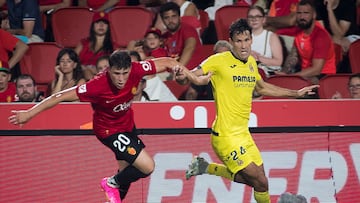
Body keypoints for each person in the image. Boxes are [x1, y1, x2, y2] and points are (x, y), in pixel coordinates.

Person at [8, 51, 210, 203]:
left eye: (125, 73)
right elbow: (59, 96)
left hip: (128, 125)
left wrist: (195, 78)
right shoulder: (97, 85)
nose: (121, 79)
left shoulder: (137, 69)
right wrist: (29, 113)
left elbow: (167, 62)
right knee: (147, 167)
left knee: (126, 171)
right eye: (116, 74)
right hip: (108, 131)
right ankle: (109, 182)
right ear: (108, 70)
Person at [173, 18, 318, 203]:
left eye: (247, 40)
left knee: (259, 180)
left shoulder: (250, 62)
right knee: (261, 182)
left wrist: (296, 93)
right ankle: (206, 168)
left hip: (243, 134)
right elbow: (189, 77)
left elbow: (262, 87)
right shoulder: (218, 60)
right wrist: (181, 76)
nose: (243, 45)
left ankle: (205, 167)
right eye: (239, 41)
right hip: (225, 136)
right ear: (232, 42)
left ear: (251, 40)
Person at [280, 0, 336, 85]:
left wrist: (292, 77)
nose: (302, 17)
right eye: (299, 13)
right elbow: (293, 56)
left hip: (324, 76)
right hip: (304, 74)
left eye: (306, 13)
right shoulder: (299, 32)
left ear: (314, 15)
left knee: (298, 85)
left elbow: (316, 69)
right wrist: (283, 74)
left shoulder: (321, 36)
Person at [315, 0, 359, 73]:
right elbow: (322, 32)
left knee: (337, 42)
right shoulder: (319, 4)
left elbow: (340, 33)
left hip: (351, 36)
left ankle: (333, 73)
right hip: (332, 38)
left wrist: (329, 10)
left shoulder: (348, 4)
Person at [159, 2, 202, 69]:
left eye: (174, 16)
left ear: (179, 17)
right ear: (162, 20)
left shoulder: (188, 29)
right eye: (166, 17)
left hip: (192, 71)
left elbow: (189, 47)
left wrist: (178, 69)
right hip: (171, 72)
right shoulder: (164, 37)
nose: (170, 20)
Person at [74, 11, 114, 81]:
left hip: (103, 78)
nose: (101, 25)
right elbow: (72, 61)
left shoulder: (113, 46)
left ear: (108, 27)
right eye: (98, 22)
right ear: (93, 26)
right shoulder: (83, 43)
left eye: (104, 23)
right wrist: (85, 68)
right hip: (82, 78)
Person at [248, 5, 284, 77]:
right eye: (251, 17)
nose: (254, 19)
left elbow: (278, 62)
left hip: (266, 74)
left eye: (257, 16)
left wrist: (257, 58)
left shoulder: (271, 36)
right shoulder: (243, 35)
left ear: (263, 19)